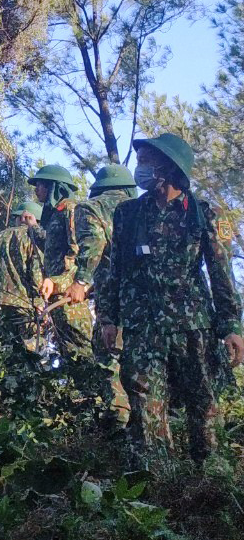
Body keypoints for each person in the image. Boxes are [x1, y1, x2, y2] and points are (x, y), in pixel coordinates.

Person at [97, 133, 244, 467]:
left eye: (147, 161)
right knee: (145, 407)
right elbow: (113, 269)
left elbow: (221, 274)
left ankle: (209, 480)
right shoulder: (128, 214)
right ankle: (158, 482)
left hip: (193, 327)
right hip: (143, 329)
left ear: (169, 166)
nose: (140, 168)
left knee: (203, 405)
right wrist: (108, 318)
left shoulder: (204, 214)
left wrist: (231, 327)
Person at [64, 164, 137, 426]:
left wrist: (81, 281)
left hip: (112, 300)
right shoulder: (141, 208)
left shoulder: (90, 207)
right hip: (144, 299)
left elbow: (93, 245)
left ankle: (119, 420)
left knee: (107, 355)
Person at [30, 165, 93, 370]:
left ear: (53, 187)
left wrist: (60, 281)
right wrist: (33, 228)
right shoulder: (55, 214)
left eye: (40, 185)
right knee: (68, 353)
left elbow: (77, 251)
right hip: (56, 294)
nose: (36, 189)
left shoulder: (70, 209)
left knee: (82, 351)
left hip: (70, 295)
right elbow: (52, 249)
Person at [0, 201, 46, 352]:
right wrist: (39, 302)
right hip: (26, 305)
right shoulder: (33, 237)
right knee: (31, 353)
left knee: (4, 352)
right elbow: (36, 272)